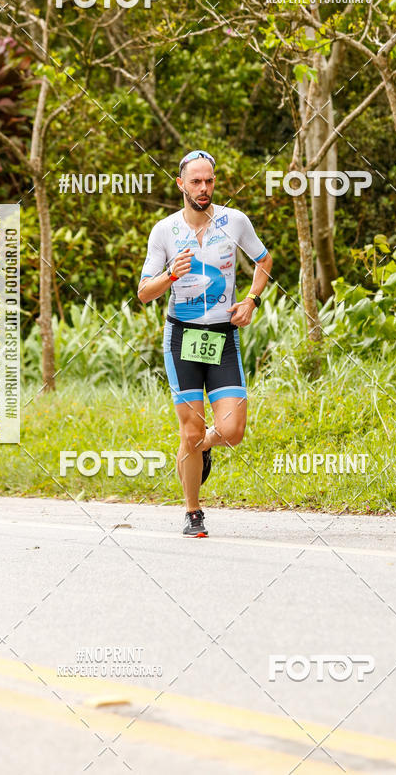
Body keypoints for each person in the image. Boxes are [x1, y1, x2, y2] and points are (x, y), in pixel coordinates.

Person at [137, 149, 273, 537]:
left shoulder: (235, 222)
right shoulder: (164, 231)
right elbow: (145, 293)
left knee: (232, 431)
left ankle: (205, 447)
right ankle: (193, 511)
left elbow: (264, 260)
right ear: (180, 184)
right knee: (190, 432)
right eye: (195, 181)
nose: (203, 188)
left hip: (222, 336)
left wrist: (251, 299)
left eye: (209, 181)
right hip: (182, 336)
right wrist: (170, 275)